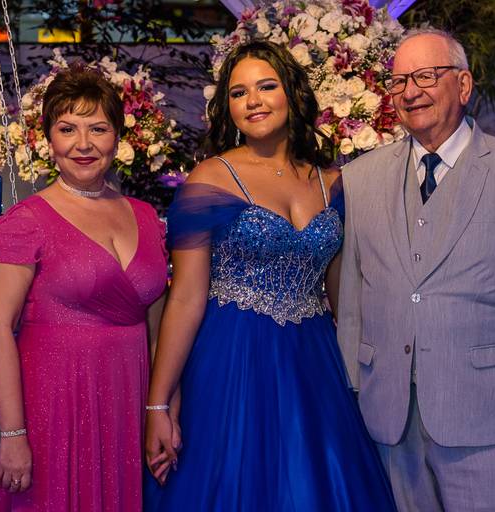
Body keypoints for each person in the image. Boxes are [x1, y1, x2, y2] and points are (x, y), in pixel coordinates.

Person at [337, 28, 495, 511]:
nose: (411, 92)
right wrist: (350, 389)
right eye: (399, 81)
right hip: (388, 417)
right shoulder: (360, 178)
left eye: (427, 76)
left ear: (464, 85)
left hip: (490, 418)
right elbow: (352, 300)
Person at [143, 40, 396, 511]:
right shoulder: (210, 178)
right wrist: (158, 403)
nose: (253, 101)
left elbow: (344, 300)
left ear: (292, 94)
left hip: (314, 361)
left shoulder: (333, 182)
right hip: (232, 357)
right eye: (238, 93)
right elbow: (185, 299)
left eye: (266, 87)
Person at [0, 65, 168, 511]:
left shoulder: (147, 217)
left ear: (117, 138)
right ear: (49, 140)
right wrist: (12, 434)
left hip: (128, 400)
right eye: (67, 129)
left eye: (98, 129)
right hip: (55, 405)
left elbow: (159, 332)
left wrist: (162, 409)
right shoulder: (25, 221)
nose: (83, 144)